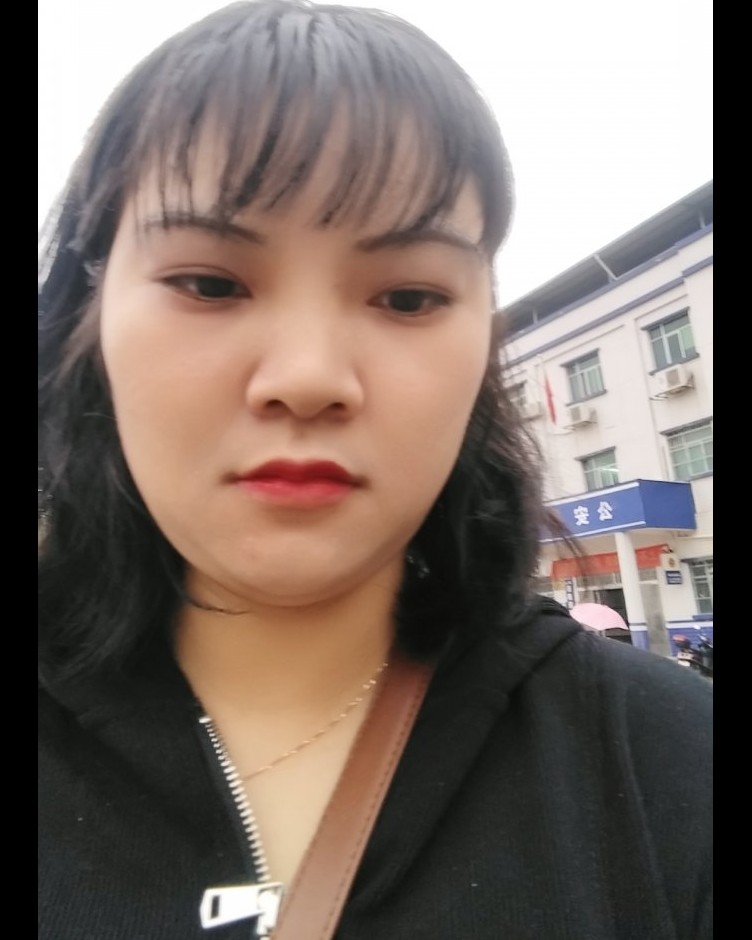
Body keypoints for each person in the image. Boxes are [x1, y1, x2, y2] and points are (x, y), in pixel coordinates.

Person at [38, 2, 712, 938]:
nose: (309, 377)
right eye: (211, 283)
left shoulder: (673, 767)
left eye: (407, 297)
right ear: (91, 315)